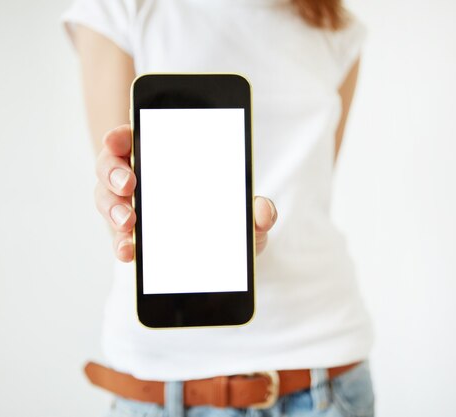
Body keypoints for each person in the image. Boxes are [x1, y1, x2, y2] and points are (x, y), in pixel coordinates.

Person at [62, 0, 374, 416]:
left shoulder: (337, 28)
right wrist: (120, 202)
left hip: (321, 372)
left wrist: (251, 239)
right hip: (161, 378)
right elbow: (125, 207)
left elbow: (309, 199)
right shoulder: (120, 8)